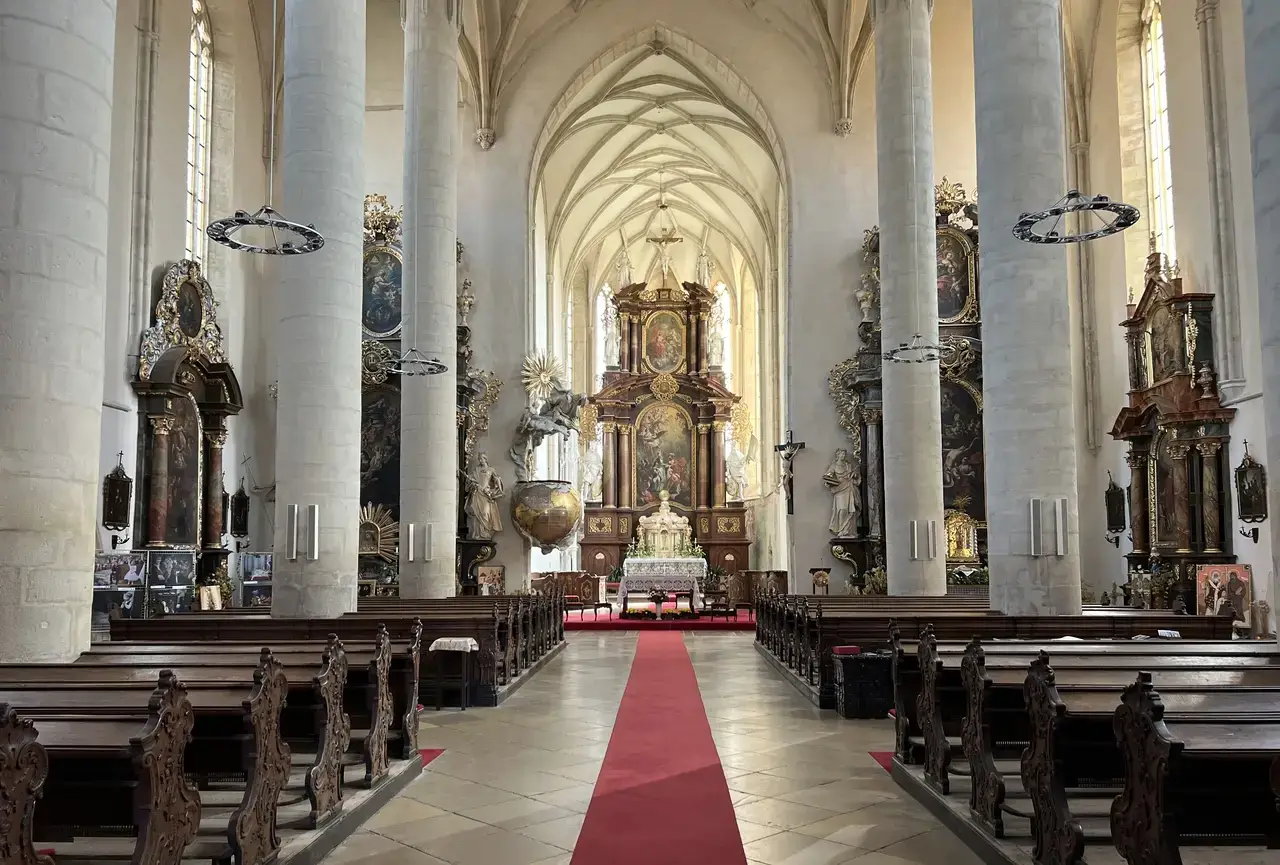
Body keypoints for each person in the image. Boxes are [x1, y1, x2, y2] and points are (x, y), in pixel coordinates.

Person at [463, 454, 505, 540]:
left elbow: (497, 480)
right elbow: (470, 479)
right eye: (479, 459)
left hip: (486, 494)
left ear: (485, 459)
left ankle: (486, 533)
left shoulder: (491, 469)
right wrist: (471, 481)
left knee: (485, 513)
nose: (480, 460)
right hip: (477, 493)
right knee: (476, 513)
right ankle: (477, 534)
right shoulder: (476, 470)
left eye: (481, 459)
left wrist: (497, 490)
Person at [822, 449, 860, 537]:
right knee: (842, 509)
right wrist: (829, 478)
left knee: (850, 510)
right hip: (839, 489)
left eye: (844, 454)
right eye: (842, 454)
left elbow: (856, 475)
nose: (843, 456)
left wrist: (854, 475)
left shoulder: (848, 465)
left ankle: (848, 531)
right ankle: (841, 529)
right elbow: (828, 476)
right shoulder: (834, 465)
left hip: (849, 487)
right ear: (838, 455)